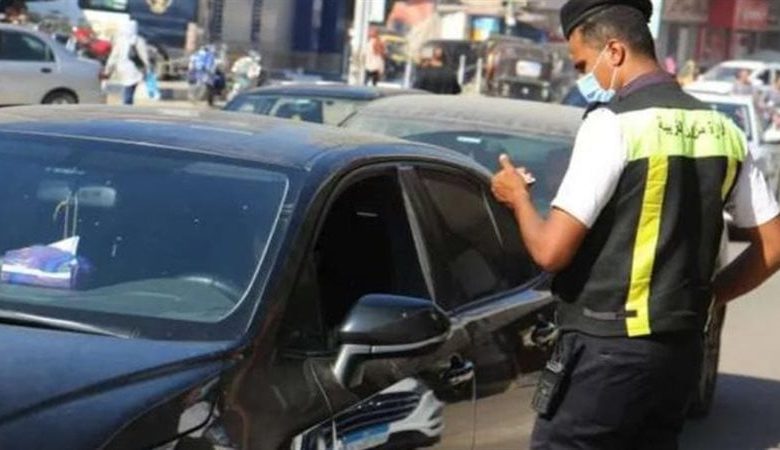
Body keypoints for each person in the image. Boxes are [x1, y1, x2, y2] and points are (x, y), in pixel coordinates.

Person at [490, 0, 780, 449]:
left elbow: (550, 251)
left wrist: (519, 199)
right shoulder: (723, 130)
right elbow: (772, 246)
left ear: (615, 51)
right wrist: (707, 299)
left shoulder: (612, 125)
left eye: (583, 65)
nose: (584, 78)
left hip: (606, 350)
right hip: (679, 354)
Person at [104, 21, 150, 106]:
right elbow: (145, 57)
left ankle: (127, 103)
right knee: (130, 90)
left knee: (127, 88)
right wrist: (147, 69)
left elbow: (113, 58)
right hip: (135, 69)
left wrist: (108, 70)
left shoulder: (120, 40)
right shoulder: (139, 40)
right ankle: (127, 105)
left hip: (121, 69)